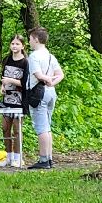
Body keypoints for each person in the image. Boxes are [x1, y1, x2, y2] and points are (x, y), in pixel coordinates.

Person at [24, 27, 64, 170]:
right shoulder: (50, 56)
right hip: (50, 92)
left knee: (41, 127)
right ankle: (49, 157)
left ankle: (43, 159)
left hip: (38, 93)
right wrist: (52, 82)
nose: (29, 42)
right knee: (47, 126)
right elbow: (60, 74)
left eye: (30, 39)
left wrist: (46, 79)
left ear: (36, 39)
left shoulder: (34, 56)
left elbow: (38, 75)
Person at [0, 34, 29, 168]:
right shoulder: (7, 59)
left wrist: (10, 81)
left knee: (17, 130)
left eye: (17, 44)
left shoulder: (25, 62)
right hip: (7, 99)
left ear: (22, 46)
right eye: (12, 44)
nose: (14, 46)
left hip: (19, 100)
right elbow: (3, 77)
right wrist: (2, 87)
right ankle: (8, 156)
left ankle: (18, 157)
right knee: (5, 128)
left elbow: (25, 82)